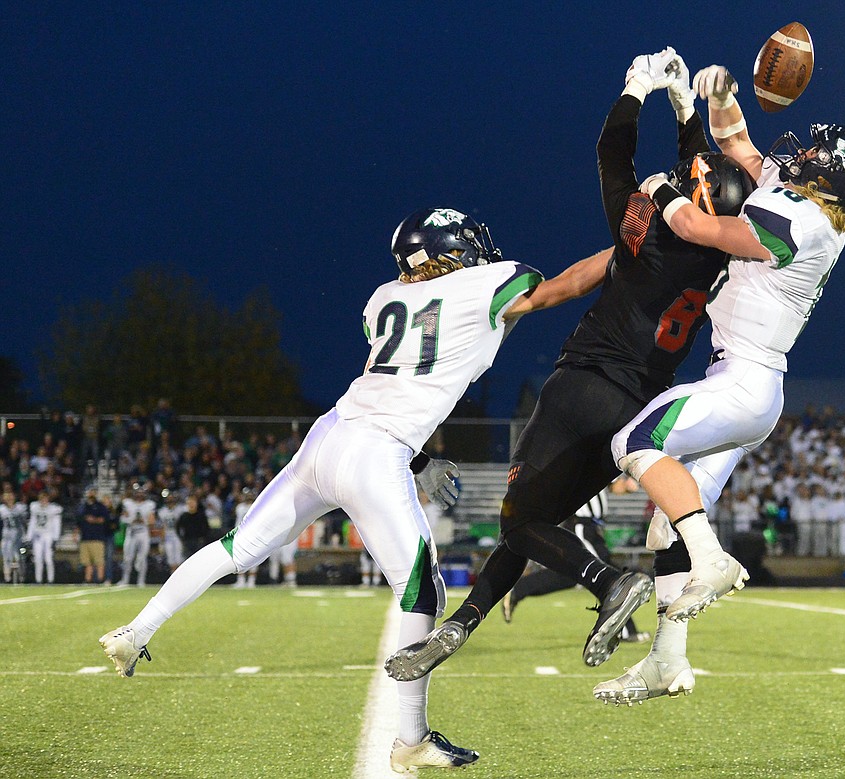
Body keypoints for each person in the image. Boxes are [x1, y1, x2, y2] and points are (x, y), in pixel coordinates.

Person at [99, 206, 611, 773]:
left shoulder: (383, 297)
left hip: (330, 436)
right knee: (422, 592)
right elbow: (558, 289)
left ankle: (136, 629)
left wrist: (418, 462)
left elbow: (404, 370)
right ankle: (411, 737)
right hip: (376, 450)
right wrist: (636, 249)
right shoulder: (484, 282)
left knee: (238, 547)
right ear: (451, 251)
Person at [387, 49, 755, 685]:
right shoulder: (726, 255)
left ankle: (612, 583)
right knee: (538, 521)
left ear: (691, 202)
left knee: (521, 519)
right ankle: (462, 624)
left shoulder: (650, 234)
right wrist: (686, 108)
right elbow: (709, 173)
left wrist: (637, 89)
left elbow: (613, 156)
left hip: (584, 384)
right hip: (639, 405)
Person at [597, 58, 845, 704]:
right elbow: (738, 144)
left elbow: (700, 227)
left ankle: (714, 556)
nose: (805, 151)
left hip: (745, 383)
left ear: (834, 179)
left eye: (819, 152)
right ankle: (667, 660)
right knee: (669, 522)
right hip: (749, 384)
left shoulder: (804, 224)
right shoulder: (810, 199)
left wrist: (660, 190)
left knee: (634, 443)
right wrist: (720, 93)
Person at [500, 489, 648, 644]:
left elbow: (617, 486)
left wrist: (626, 485)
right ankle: (624, 630)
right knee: (606, 576)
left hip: (591, 527)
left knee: (570, 576)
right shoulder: (587, 466)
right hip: (582, 526)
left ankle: (518, 590)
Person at [118, 484, 156, 587]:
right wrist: (132, 520)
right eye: (137, 492)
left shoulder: (149, 504)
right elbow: (123, 518)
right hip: (131, 531)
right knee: (127, 558)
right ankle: (125, 580)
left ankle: (141, 581)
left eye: (141, 492)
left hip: (143, 532)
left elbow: (152, 520)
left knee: (142, 558)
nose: (139, 494)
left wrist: (143, 521)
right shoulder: (128, 503)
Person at [26, 490, 62, 583]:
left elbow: (56, 524)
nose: (44, 501)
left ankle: (50, 580)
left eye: (45, 498)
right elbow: (32, 523)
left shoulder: (53, 508)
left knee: (48, 559)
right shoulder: (34, 507)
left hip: (48, 535)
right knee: (37, 559)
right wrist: (29, 537)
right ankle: (38, 580)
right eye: (42, 499)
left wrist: (55, 538)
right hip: (38, 535)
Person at [79, 488, 112, 584]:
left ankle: (100, 580)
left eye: (93, 492)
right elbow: (79, 520)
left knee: (99, 561)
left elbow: (104, 520)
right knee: (87, 562)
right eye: (90, 492)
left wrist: (93, 520)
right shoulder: (83, 507)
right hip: (85, 537)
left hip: (97, 537)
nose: (91, 494)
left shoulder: (100, 506)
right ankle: (88, 580)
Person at [1, 485, 28, 582]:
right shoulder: (2, 509)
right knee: (6, 556)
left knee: (20, 556)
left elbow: (24, 523)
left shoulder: (20, 507)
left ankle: (21, 575)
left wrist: (26, 536)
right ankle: (7, 577)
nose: (9, 498)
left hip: (19, 536)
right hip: (6, 536)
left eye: (11, 496)